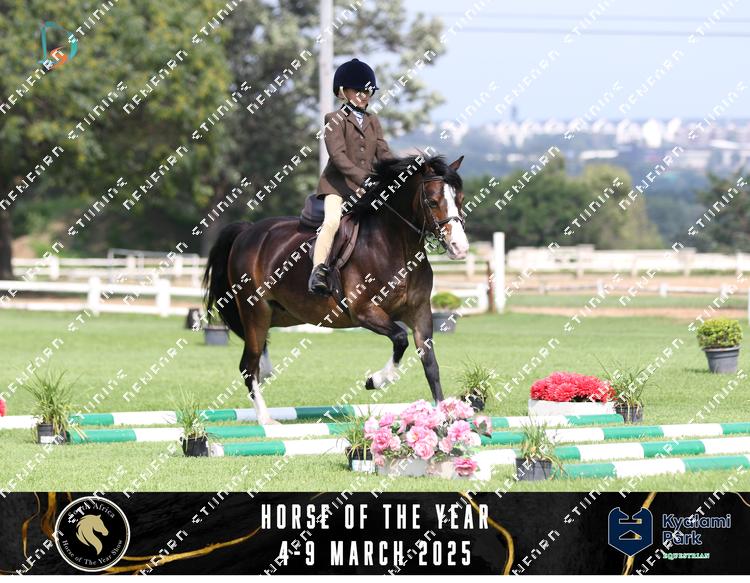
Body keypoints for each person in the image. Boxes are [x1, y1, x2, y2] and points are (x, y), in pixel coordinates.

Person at [308, 58, 394, 296]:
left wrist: (399, 171)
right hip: (337, 187)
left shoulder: (373, 120)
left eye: (367, 91)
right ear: (343, 92)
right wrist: (365, 178)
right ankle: (318, 271)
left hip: (367, 188)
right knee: (332, 223)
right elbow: (338, 157)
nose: (364, 95)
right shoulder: (333, 119)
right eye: (358, 91)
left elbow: (383, 153)